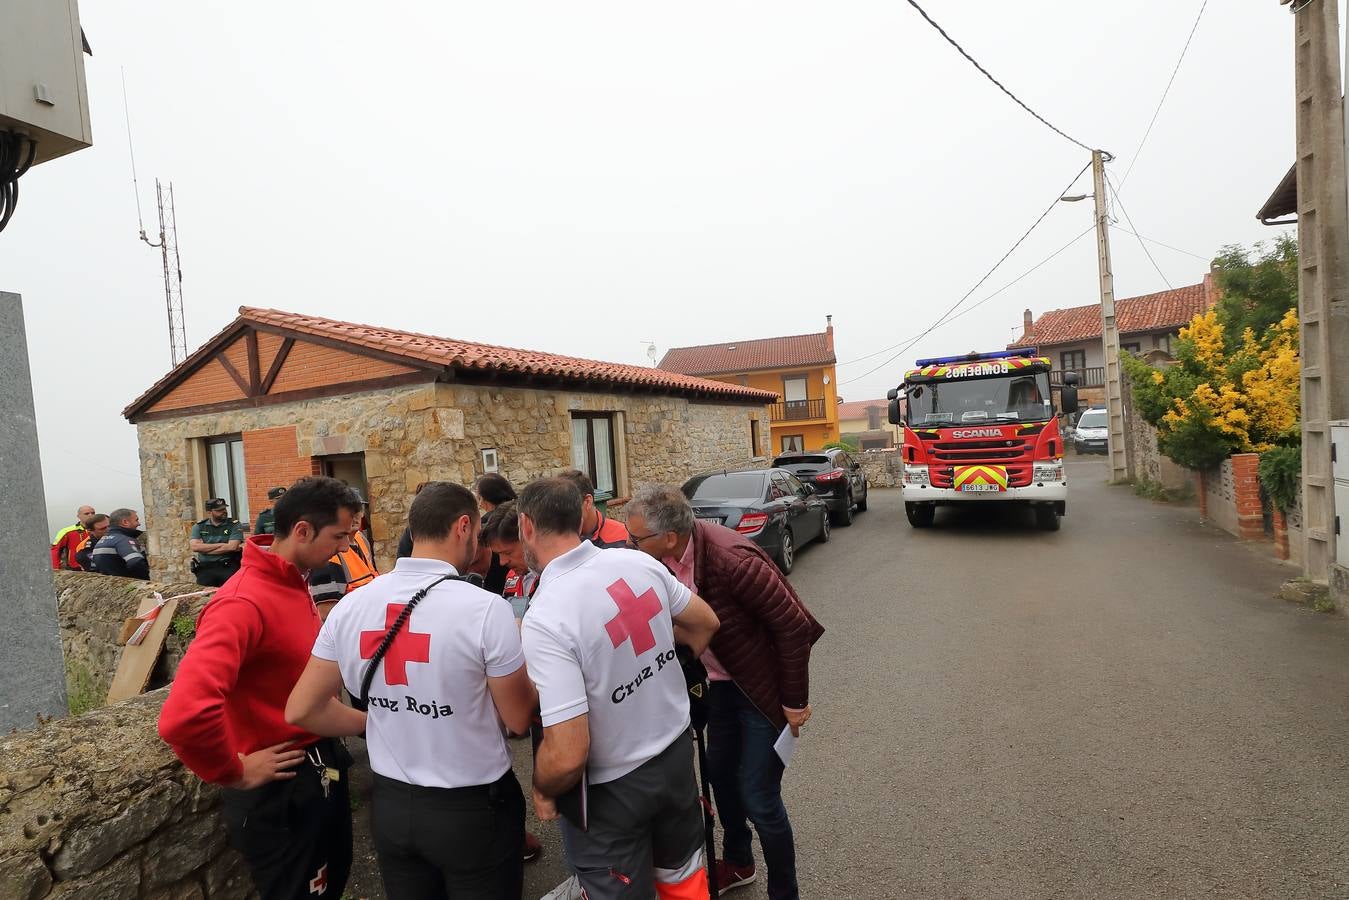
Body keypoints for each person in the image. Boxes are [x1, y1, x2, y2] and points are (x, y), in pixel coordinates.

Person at [286, 482, 537, 899]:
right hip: (472, 808)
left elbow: (301, 709)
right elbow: (517, 719)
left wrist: (380, 719)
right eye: (476, 533)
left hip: (392, 807)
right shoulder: (483, 608)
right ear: (463, 526)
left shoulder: (351, 605)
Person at [158, 477, 363, 900]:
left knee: (332, 883)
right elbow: (184, 714)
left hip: (319, 768)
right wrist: (232, 771)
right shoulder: (241, 603)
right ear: (303, 531)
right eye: (339, 536)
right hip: (283, 792)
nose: (345, 548)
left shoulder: (293, 579)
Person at [518, 477, 720, 900]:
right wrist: (668, 669)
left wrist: (542, 786)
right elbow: (705, 622)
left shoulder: (546, 614)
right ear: (579, 517)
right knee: (683, 879)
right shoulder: (637, 563)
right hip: (674, 757)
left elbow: (569, 751)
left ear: (527, 526)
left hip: (611, 790)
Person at [625, 486, 824, 900]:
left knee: (758, 794)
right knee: (720, 779)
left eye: (636, 539)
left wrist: (794, 701)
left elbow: (793, 627)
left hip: (757, 689)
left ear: (670, 538)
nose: (629, 544)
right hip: (717, 687)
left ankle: (785, 893)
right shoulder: (656, 560)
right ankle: (739, 861)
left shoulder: (732, 559)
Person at [308, 492, 379, 619]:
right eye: (349, 511)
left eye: (358, 510)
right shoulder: (328, 553)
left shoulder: (361, 539)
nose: (355, 516)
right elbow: (326, 613)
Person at [557, 469, 629, 549]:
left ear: (588, 501)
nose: (561, 514)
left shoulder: (624, 538)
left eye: (568, 505)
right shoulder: (554, 541)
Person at [191, 498, 245, 587]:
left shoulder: (234, 525)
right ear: (209, 512)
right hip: (206, 568)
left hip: (228, 567)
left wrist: (204, 550)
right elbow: (195, 547)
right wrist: (222, 545)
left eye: (224, 509)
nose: (224, 512)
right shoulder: (199, 526)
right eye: (219, 510)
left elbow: (232, 547)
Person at [90, 509, 150, 580]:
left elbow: (93, 568)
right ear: (125, 522)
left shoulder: (101, 541)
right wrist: (148, 578)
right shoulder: (123, 540)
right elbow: (135, 562)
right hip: (129, 584)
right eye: (136, 520)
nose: (139, 524)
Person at [50, 505, 96, 570]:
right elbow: (55, 551)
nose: (91, 515)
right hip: (75, 569)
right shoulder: (67, 531)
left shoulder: (101, 529)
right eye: (86, 514)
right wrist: (55, 569)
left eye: (93, 513)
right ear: (78, 516)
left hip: (97, 568)